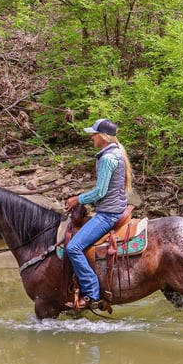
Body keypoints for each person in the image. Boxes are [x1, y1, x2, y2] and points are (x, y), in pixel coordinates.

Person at [65, 118, 133, 309]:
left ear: (103, 136)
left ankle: (92, 293)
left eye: (94, 134)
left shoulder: (107, 158)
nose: (92, 137)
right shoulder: (116, 152)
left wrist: (77, 199)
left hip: (108, 213)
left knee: (73, 248)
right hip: (116, 208)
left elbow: (101, 192)